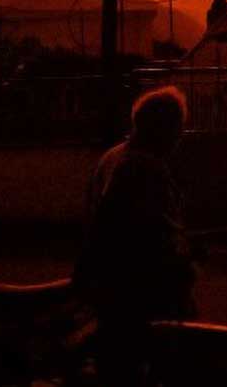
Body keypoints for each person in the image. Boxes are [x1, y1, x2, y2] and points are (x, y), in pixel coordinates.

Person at [73, 87, 196, 386]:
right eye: (177, 128)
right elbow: (155, 233)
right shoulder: (144, 167)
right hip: (138, 290)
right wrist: (184, 267)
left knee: (118, 365)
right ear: (164, 130)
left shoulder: (113, 157)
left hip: (110, 286)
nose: (180, 137)